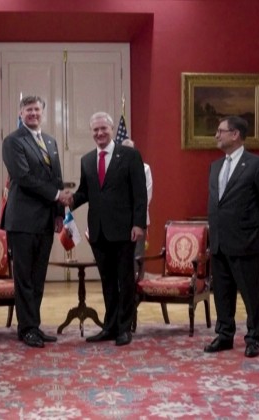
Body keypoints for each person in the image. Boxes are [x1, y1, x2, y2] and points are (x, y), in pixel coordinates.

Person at [71, 112, 147, 347]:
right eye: (95, 130)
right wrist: (67, 201)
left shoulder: (130, 155)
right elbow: (85, 192)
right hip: (98, 231)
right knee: (107, 281)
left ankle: (124, 328)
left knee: (125, 280)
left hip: (125, 230)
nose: (99, 133)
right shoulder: (86, 160)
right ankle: (110, 326)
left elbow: (140, 193)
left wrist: (138, 224)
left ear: (111, 129)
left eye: (103, 128)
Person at [0, 95, 69, 348]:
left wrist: (59, 212)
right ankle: (26, 328)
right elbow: (24, 177)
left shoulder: (50, 141)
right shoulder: (13, 141)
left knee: (38, 277)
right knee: (24, 278)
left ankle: (34, 326)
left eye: (37, 109)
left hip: (45, 220)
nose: (33, 114)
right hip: (22, 221)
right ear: (21, 114)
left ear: (43, 112)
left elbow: (57, 177)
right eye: (28, 110)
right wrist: (57, 195)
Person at [204, 116, 259, 358]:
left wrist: (251, 230)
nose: (216, 135)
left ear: (235, 134)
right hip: (219, 241)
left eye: (220, 131)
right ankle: (224, 334)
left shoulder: (257, 165)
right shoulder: (215, 166)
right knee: (222, 293)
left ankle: (254, 338)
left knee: (250, 294)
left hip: (246, 242)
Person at [121, 138, 152, 279]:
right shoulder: (115, 167)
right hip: (119, 220)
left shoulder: (144, 168)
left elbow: (146, 195)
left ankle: (138, 284)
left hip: (138, 219)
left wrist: (134, 216)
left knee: (138, 255)